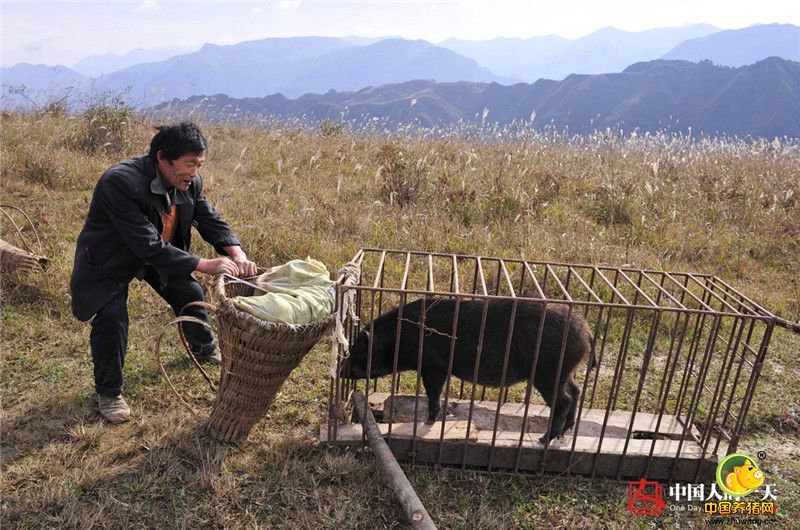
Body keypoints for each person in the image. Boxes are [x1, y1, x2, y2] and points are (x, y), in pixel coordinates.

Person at [70, 122, 257, 423]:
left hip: (158, 256)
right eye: (189, 164)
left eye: (199, 164)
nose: (194, 172)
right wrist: (205, 264)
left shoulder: (189, 183)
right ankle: (109, 392)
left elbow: (210, 220)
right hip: (111, 259)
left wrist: (236, 253)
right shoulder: (120, 182)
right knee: (111, 320)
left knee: (190, 293)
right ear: (162, 158)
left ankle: (203, 347)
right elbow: (146, 243)